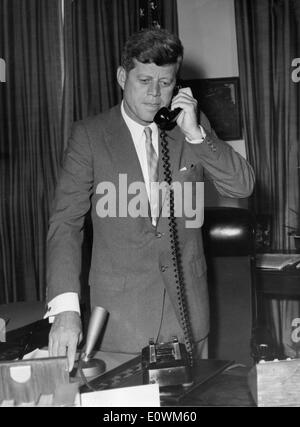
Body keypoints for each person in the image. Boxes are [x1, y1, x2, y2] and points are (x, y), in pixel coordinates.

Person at [46, 28, 255, 371]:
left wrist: (196, 134)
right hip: (118, 327)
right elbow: (65, 223)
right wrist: (66, 310)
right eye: (144, 80)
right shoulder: (90, 135)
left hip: (188, 320)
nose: (155, 94)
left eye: (166, 83)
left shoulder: (191, 128)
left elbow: (242, 186)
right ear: (121, 76)